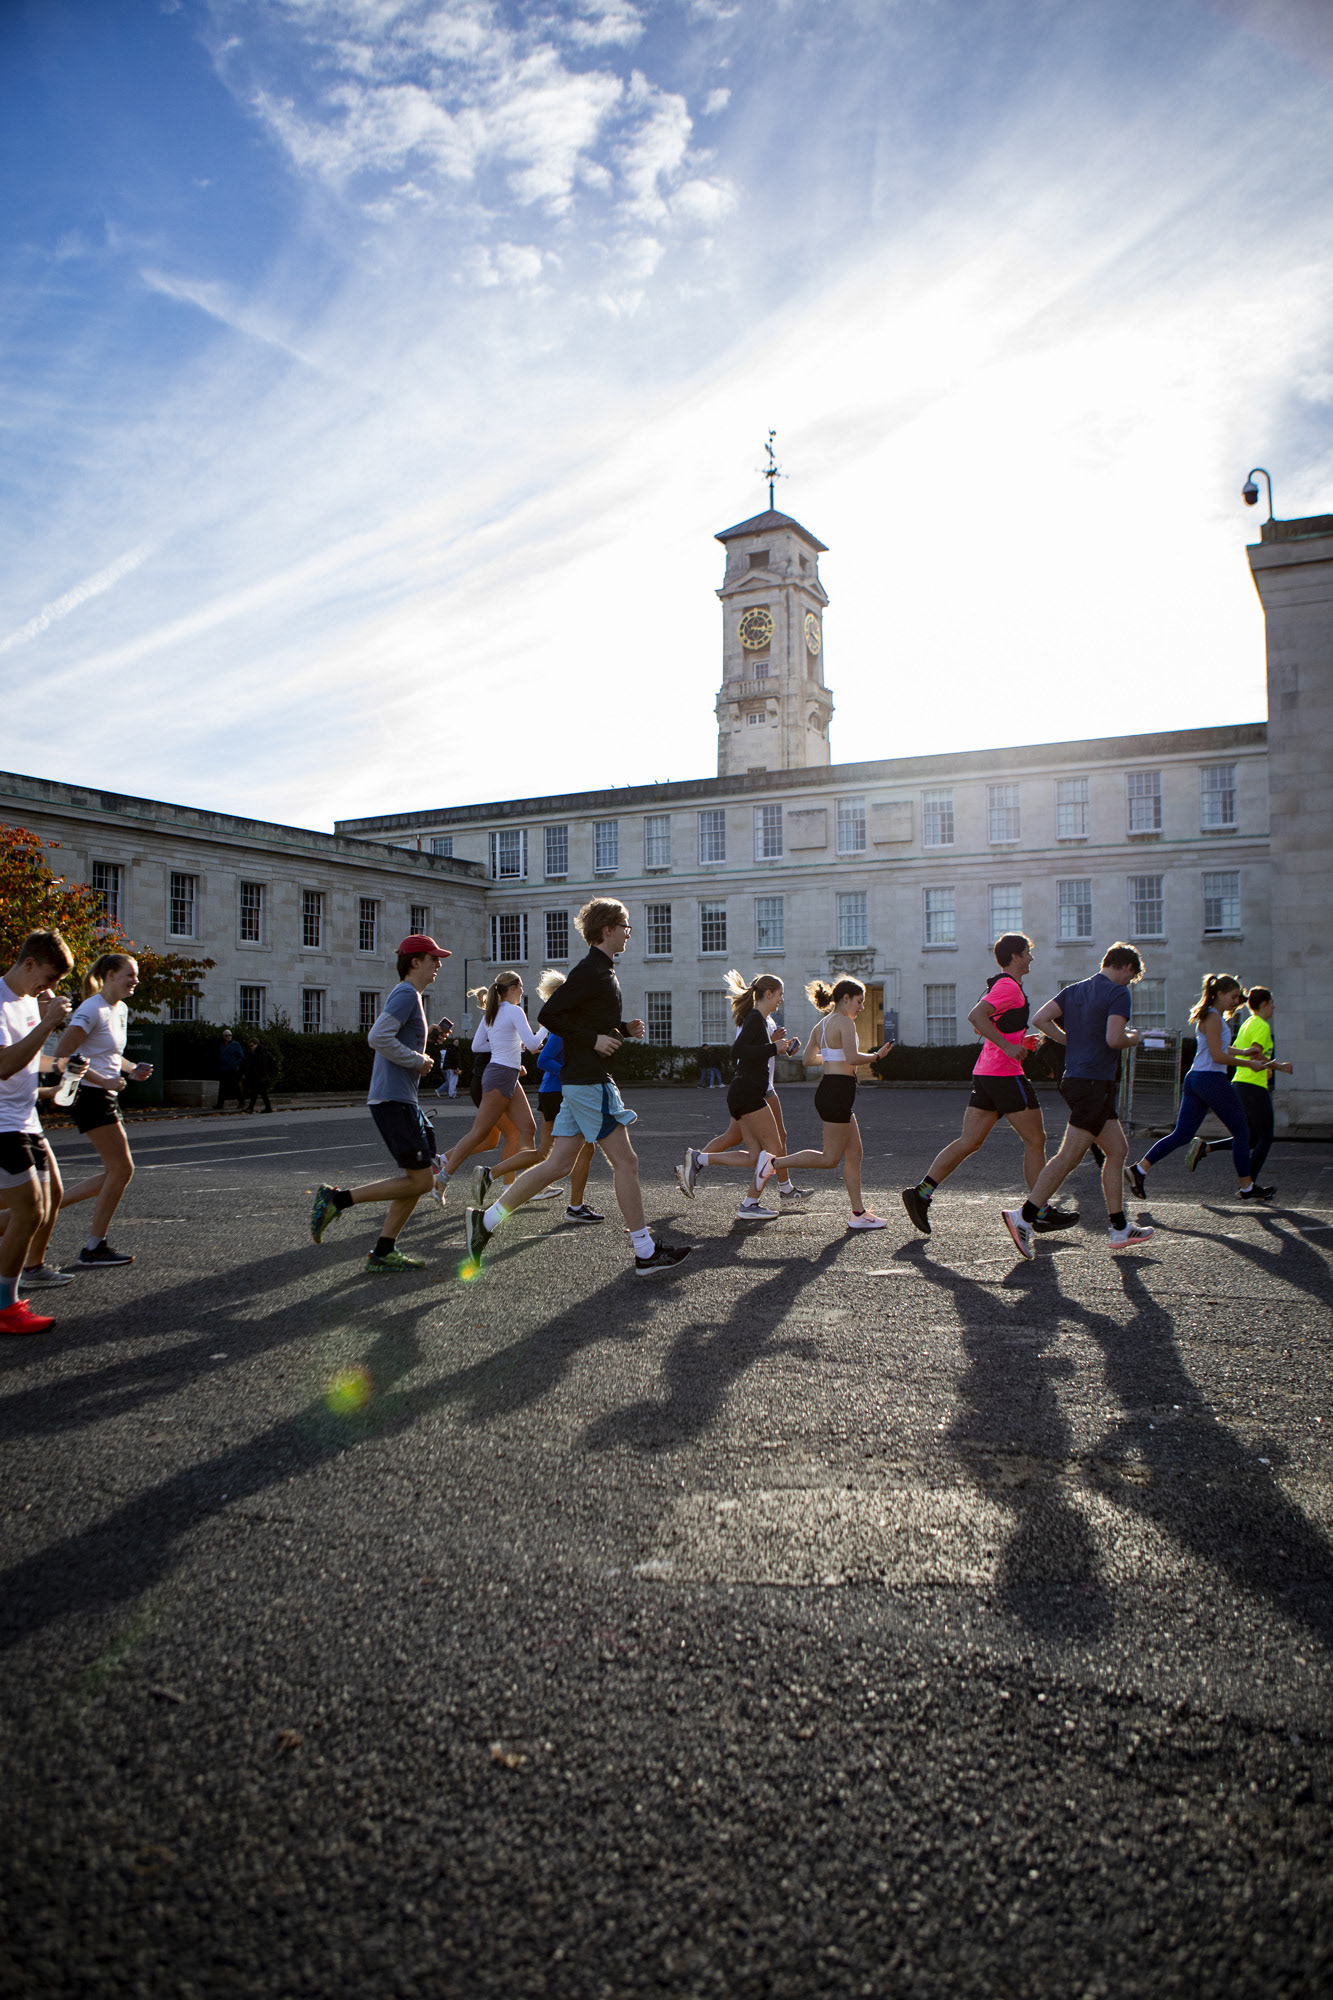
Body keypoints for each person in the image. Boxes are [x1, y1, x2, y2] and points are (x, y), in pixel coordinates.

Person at [464, 900, 690, 1277]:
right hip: (589, 1082)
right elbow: (550, 1015)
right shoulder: (589, 971)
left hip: (580, 1081)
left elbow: (588, 1023)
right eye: (625, 926)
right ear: (607, 929)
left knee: (557, 1164)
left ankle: (484, 1222)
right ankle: (645, 1251)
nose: (629, 932)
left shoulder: (602, 970)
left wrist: (621, 1030)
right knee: (627, 1163)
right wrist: (594, 1039)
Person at [902, 934, 1076, 1238]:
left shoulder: (1002, 985)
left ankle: (921, 1193)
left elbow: (983, 1025)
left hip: (986, 1073)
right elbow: (976, 1017)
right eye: (1027, 953)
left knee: (970, 1141)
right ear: (1015, 956)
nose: (1031, 958)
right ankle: (1040, 1212)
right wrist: (1008, 1047)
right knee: (1036, 1139)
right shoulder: (1007, 986)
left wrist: (1018, 1041)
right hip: (1004, 1075)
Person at [1000, 943, 1154, 1260]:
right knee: (1069, 1156)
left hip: (1077, 1080)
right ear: (1127, 967)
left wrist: (1070, 1040)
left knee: (1117, 1150)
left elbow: (1041, 1019)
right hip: (1095, 1082)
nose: (1129, 982)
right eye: (1131, 976)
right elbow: (1114, 1039)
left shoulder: (1076, 989)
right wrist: (1136, 1037)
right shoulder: (1118, 992)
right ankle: (1023, 1217)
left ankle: (1119, 1226)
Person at [309, 933, 450, 1271]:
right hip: (393, 1099)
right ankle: (337, 1199)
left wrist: (425, 1033)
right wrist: (418, 1060)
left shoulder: (411, 996)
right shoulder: (406, 993)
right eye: (433, 959)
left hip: (402, 1098)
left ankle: (384, 1250)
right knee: (422, 1180)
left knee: (419, 1177)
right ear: (414, 962)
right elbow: (378, 1037)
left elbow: (394, 1036)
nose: (439, 964)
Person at [756, 977, 894, 1230]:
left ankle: (858, 1214)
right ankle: (773, 1163)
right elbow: (852, 1058)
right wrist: (877, 1055)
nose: (862, 1007)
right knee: (830, 1158)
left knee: (855, 1153)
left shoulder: (821, 1025)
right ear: (845, 998)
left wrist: (832, 1057)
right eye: (859, 1001)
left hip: (832, 1091)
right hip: (838, 1092)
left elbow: (808, 1060)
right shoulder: (845, 1022)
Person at [1127, 973, 1276, 1203]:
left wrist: (1244, 1052)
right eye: (1233, 996)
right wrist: (1250, 1064)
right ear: (1219, 994)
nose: (1237, 1001)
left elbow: (1218, 1047)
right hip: (1211, 1079)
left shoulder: (1211, 1016)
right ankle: (1247, 1188)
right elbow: (1218, 1056)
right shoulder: (1214, 1018)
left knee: (1182, 1134)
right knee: (1242, 1133)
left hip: (1195, 1078)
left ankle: (1139, 1170)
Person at [52, 952, 154, 1270]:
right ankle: (94, 1246)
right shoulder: (90, 1009)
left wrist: (131, 1068)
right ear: (110, 975)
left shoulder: (120, 1009)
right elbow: (62, 1056)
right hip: (88, 1094)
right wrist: (104, 1080)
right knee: (121, 1169)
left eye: (136, 975)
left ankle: (42, 1209)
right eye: (130, 974)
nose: (136, 980)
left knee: (117, 1172)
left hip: (104, 1094)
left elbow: (108, 1054)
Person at [676, 970, 805, 1221]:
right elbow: (738, 1051)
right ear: (769, 993)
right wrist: (773, 1047)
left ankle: (700, 1159)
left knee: (756, 1157)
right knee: (775, 1148)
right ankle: (751, 1203)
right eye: (780, 994)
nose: (781, 999)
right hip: (748, 1093)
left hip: (745, 1092)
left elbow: (751, 1050)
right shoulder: (755, 1017)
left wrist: (774, 1045)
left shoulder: (759, 1020)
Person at [0, 931, 74, 1331]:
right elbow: (4, 1065)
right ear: (29, 963)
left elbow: (28, 1058)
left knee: (49, 1201)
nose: (50, 989)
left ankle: (21, 1278)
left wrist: (61, 1069)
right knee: (29, 1212)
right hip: (2, 1122)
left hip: (25, 1117)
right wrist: (48, 1023)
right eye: (49, 978)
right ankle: (4, 1307)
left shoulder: (29, 1000)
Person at [435, 971, 545, 1206]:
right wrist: (546, 1028)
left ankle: (528, 1184)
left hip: (504, 1074)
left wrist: (508, 1045)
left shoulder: (492, 1012)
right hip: (501, 1075)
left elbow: (477, 1046)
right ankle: (442, 1177)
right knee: (479, 1133)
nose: (522, 992)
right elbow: (534, 1044)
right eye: (521, 987)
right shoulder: (514, 1011)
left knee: (527, 1128)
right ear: (513, 988)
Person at [1187, 986, 1291, 1184]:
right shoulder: (1261, 1026)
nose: (1274, 1007)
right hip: (1253, 1085)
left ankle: (1206, 1148)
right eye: (1272, 1003)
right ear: (1264, 1004)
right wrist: (1279, 1066)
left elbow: (1238, 1050)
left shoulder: (1247, 1023)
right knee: (1266, 1138)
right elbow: (1256, 1056)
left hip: (1240, 1084)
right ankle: (1248, 1185)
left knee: (1250, 1137)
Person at [530, 968, 600, 1221]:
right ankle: (575, 1207)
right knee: (574, 1152)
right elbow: (544, 1060)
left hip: (553, 1092)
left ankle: (492, 1174)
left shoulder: (564, 1021)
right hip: (557, 1093)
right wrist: (570, 1072)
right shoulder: (562, 1026)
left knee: (549, 1153)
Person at [242, 1036, 277, 1114]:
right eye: (250, 1046)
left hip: (260, 1076)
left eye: (252, 1045)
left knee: (259, 1093)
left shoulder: (261, 1053)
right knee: (259, 1093)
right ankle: (263, 1108)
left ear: (256, 1044)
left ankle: (253, 1108)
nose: (251, 1047)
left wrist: (263, 1076)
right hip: (258, 1076)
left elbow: (263, 1065)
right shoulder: (258, 1052)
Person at [216, 1027, 244, 1111]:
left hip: (233, 1069)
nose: (228, 1037)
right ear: (223, 1037)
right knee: (222, 1087)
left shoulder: (235, 1045)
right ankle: (220, 1104)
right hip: (224, 1069)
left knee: (235, 1086)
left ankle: (241, 1102)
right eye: (226, 1035)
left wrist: (234, 1063)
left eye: (230, 1035)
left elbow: (241, 1056)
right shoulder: (222, 1045)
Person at [435, 1034, 463, 1099]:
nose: (457, 1043)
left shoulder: (449, 1049)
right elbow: (455, 1059)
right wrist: (457, 1067)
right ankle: (452, 1093)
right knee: (453, 1081)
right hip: (453, 1068)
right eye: (456, 1042)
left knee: (450, 1081)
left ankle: (452, 1093)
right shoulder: (454, 1050)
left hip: (448, 1068)